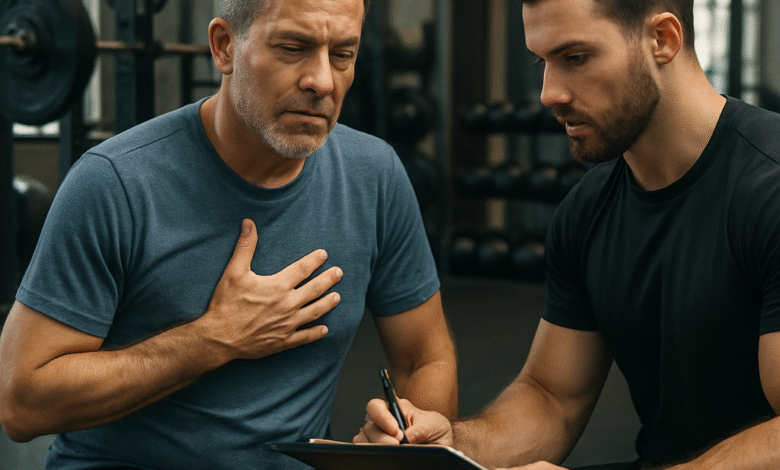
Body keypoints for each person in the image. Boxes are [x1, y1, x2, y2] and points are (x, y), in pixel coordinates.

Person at [0, 0, 458, 468]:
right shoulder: (113, 183)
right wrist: (213, 339)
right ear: (224, 47)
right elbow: (22, 403)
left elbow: (425, 358)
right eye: (293, 47)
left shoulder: (374, 175)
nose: (322, 80)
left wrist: (413, 434)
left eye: (342, 54)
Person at [356, 0, 780, 469]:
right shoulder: (588, 208)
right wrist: (453, 448)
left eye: (574, 58)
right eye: (542, 62)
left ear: (663, 40)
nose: (548, 93)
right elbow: (552, 398)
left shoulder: (769, 188)